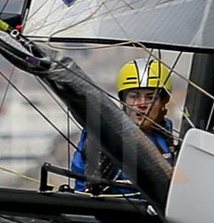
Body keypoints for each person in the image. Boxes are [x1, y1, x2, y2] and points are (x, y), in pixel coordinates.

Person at [70, 58, 175, 194]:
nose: (142, 104)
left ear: (162, 102)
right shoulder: (103, 133)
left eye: (150, 97)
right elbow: (82, 185)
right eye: (134, 97)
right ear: (123, 100)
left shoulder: (167, 134)